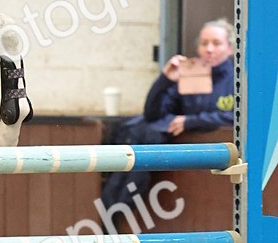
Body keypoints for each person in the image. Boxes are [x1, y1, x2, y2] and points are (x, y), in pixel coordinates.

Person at [100, 19, 235, 218]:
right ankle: (112, 212)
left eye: (216, 43)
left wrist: (190, 122)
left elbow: (234, 116)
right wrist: (164, 80)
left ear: (230, 48)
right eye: (204, 43)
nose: (209, 49)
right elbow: (153, 114)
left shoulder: (238, 77)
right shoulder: (192, 73)